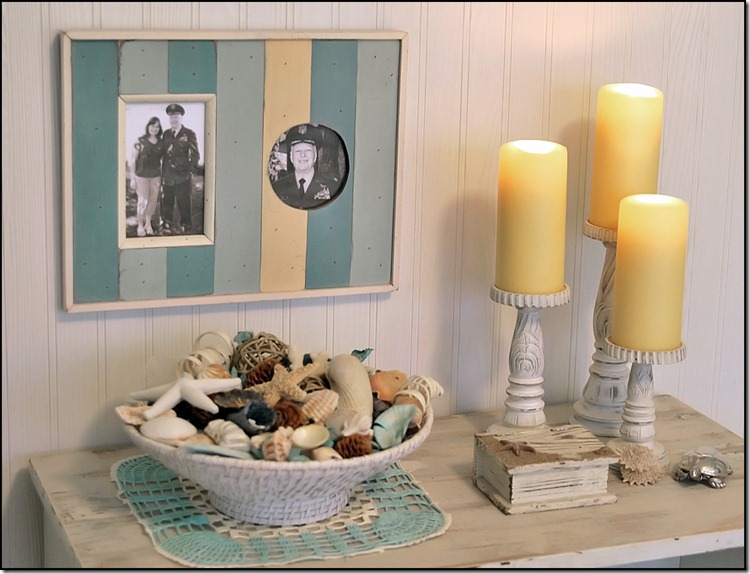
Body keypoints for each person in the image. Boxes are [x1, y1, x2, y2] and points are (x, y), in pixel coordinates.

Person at [271, 124, 340, 209]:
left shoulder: (333, 188)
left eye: (308, 150)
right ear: (291, 157)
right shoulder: (277, 188)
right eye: (298, 151)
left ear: (315, 156)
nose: (303, 155)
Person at [162, 103, 199, 234]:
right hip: (168, 175)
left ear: (181, 118)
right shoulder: (166, 134)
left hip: (183, 175)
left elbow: (195, 154)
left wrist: (190, 170)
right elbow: (164, 155)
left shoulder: (189, 133)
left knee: (184, 201)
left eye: (176, 117)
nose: (174, 120)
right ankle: (166, 223)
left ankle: (186, 225)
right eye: (171, 117)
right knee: (167, 200)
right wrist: (162, 174)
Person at [130, 116, 164, 236]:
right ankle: (140, 225)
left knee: (153, 201)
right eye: (152, 126)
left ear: (159, 128)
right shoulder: (140, 141)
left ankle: (148, 223)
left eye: (157, 127)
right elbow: (133, 160)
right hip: (141, 176)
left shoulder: (161, 142)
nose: (154, 129)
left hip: (155, 176)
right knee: (143, 201)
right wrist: (132, 178)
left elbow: (163, 160)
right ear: (148, 126)